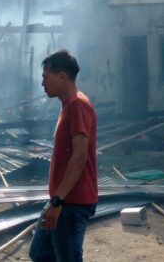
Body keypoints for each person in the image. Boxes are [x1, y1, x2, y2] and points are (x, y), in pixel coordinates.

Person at [29, 49, 98, 262]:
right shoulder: (68, 105)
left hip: (71, 203)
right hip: (62, 200)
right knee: (40, 253)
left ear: (62, 76)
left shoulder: (78, 105)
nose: (42, 83)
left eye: (45, 77)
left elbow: (79, 157)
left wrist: (58, 202)